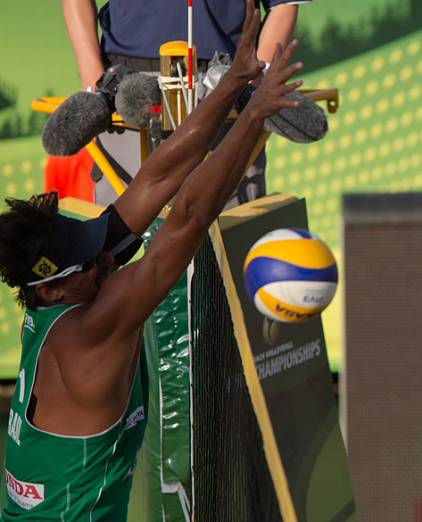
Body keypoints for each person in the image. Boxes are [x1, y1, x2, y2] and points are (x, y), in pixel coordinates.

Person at [0, 2, 303, 518]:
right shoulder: (91, 332)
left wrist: (234, 84)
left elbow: (156, 181)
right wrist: (252, 118)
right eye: (87, 261)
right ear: (50, 288)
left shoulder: (63, 291)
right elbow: (185, 217)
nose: (103, 258)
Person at [62, 0, 308, 206]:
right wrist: (94, 82)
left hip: (225, 85)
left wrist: (250, 87)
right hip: (129, 91)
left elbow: (284, 4)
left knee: (224, 245)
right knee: (122, 243)